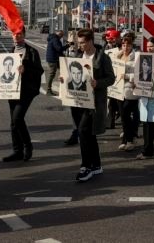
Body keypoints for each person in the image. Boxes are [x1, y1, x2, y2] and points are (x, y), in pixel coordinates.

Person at [61, 29, 114, 181]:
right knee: (88, 134)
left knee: (83, 132)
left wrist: (98, 83)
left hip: (94, 103)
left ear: (91, 41)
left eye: (83, 42)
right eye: (79, 43)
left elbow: (111, 78)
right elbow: (71, 74)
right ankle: (97, 165)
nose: (80, 45)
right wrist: (64, 77)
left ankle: (86, 166)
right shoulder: (78, 55)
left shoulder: (102, 57)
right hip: (78, 101)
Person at [0, 28, 43, 163]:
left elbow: (39, 71)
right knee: (13, 122)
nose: (16, 36)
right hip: (12, 89)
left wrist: (26, 69)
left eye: (19, 34)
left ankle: (28, 145)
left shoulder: (31, 52)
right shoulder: (11, 51)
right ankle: (17, 151)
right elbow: (5, 70)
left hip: (27, 90)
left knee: (17, 118)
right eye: (14, 34)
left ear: (24, 35)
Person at [116, 35, 139, 151]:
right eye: (124, 45)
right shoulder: (117, 56)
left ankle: (130, 140)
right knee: (124, 117)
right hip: (118, 90)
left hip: (130, 90)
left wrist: (127, 76)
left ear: (132, 45)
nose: (126, 47)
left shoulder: (135, 57)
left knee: (126, 114)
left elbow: (139, 75)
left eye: (128, 45)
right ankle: (126, 139)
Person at [45, 30, 68, 96]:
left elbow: (58, 50)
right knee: (52, 74)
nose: (62, 36)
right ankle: (48, 90)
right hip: (53, 59)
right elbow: (59, 49)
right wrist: (67, 46)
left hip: (54, 58)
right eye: (61, 35)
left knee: (63, 71)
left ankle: (64, 87)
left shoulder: (53, 38)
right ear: (59, 34)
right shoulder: (55, 39)